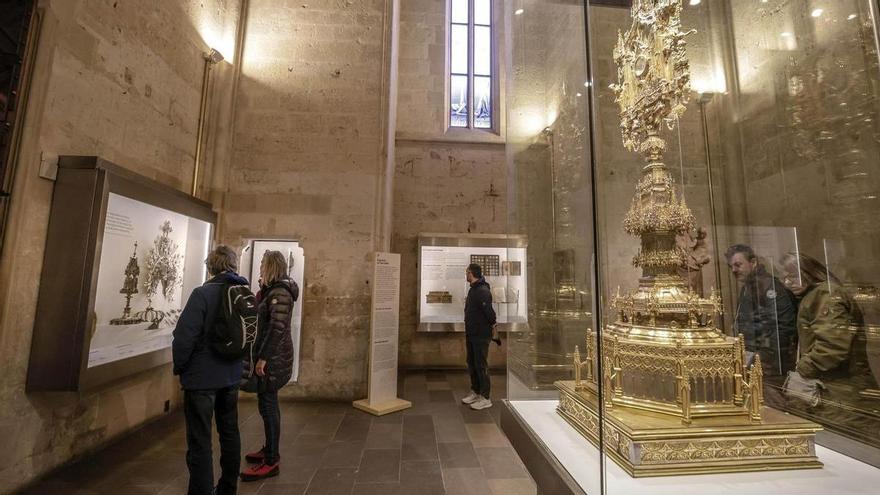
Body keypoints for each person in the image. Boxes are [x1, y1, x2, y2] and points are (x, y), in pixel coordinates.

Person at [172, 245, 248, 495]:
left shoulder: (202, 294)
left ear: (211, 266)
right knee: (229, 433)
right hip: (231, 375)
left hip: (202, 379)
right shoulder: (242, 292)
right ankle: (227, 488)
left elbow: (185, 336)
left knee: (200, 440)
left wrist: (181, 367)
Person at [240, 250, 299, 482]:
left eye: (264, 264)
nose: (261, 267)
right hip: (272, 357)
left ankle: (272, 459)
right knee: (267, 405)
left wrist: (263, 358)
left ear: (271, 266)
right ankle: (269, 448)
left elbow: (277, 327)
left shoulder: (279, 292)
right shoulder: (272, 290)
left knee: (269, 405)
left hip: (273, 359)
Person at [725, 244, 798, 376]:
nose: (733, 270)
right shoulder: (748, 287)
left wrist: (763, 358)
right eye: (731, 266)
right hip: (752, 360)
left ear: (753, 262)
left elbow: (782, 327)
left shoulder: (768, 286)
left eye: (738, 265)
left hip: (770, 365)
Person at [461, 263, 496, 411]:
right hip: (472, 332)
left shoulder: (482, 291)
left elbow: (489, 313)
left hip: (481, 334)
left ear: (472, 273)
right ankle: (475, 391)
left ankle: (485, 397)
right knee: (472, 362)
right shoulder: (473, 290)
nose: (466, 275)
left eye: (467, 272)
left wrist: (493, 324)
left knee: (481, 365)